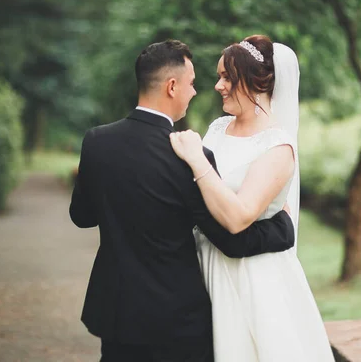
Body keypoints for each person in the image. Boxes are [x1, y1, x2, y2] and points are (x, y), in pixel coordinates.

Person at [69, 39, 296, 362]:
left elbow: (82, 216)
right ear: (172, 87)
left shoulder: (96, 141)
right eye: (191, 84)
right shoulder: (189, 157)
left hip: (116, 310)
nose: (196, 91)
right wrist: (283, 229)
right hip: (175, 318)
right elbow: (228, 238)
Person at [170, 35, 335, 361]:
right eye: (219, 76)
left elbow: (238, 216)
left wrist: (196, 159)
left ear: (256, 81)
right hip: (204, 262)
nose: (218, 85)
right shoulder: (218, 129)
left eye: (227, 77)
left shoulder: (277, 147)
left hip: (250, 276)